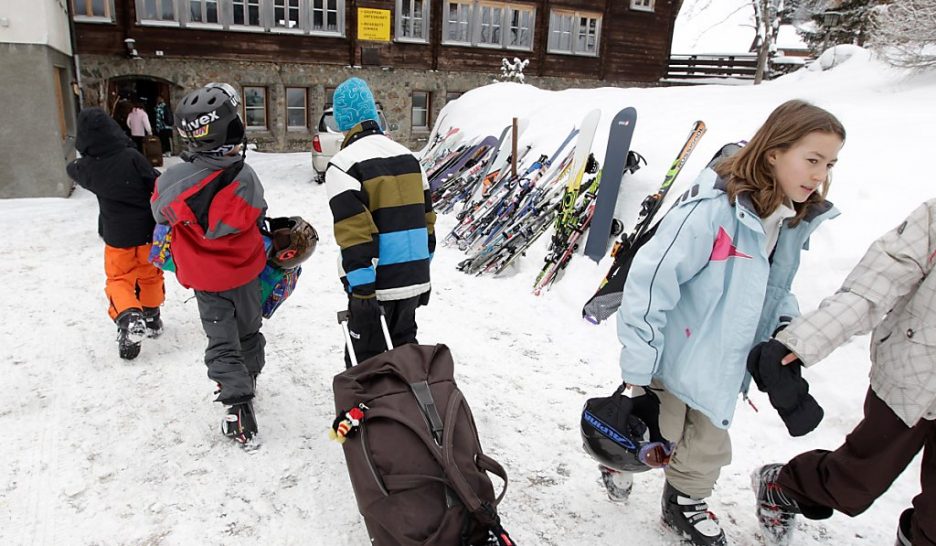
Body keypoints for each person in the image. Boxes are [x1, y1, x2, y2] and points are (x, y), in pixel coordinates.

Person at [612, 100, 845, 546]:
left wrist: (782, 331)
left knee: (708, 446)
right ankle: (615, 456)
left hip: (727, 361)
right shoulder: (713, 211)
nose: (819, 175)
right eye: (812, 160)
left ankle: (684, 503)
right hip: (674, 355)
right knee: (657, 433)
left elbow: (776, 287)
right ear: (774, 151)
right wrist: (639, 367)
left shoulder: (790, 221)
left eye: (829, 164)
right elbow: (651, 281)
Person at [750, 199, 936, 546]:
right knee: (858, 480)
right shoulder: (934, 220)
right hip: (915, 373)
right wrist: (801, 341)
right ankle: (784, 485)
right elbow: (870, 290)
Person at [150, 83, 267, 445]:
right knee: (248, 330)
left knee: (221, 340)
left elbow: (159, 213)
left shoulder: (173, 181)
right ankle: (250, 376)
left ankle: (237, 406)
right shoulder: (245, 177)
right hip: (245, 272)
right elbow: (258, 212)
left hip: (205, 279)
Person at [324, 77, 434, 365]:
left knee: (366, 367)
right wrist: (422, 273)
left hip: (375, 286)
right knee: (406, 361)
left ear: (342, 120)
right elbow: (427, 222)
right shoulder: (410, 158)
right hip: (413, 278)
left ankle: (366, 410)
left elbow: (356, 233)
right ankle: (408, 410)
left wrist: (361, 291)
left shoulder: (345, 165)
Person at [66, 107, 165, 360]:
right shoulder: (132, 156)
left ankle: (129, 316)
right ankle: (152, 316)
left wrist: (87, 156)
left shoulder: (87, 168)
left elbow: (72, 168)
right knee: (150, 274)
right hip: (147, 232)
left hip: (117, 238)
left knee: (119, 279)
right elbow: (154, 182)